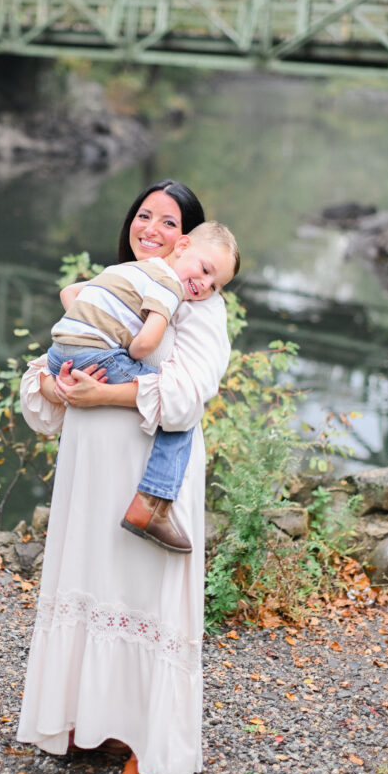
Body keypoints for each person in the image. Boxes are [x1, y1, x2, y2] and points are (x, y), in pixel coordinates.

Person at [16, 179, 232, 774]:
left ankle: (149, 748)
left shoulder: (197, 307)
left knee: (145, 595)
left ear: (186, 239)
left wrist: (101, 394)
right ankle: (95, 722)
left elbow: (187, 397)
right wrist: (56, 385)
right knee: (94, 582)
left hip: (148, 477)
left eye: (169, 222)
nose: (152, 230)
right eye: (144, 215)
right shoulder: (113, 284)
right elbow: (49, 367)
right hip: (90, 469)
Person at [47, 222, 239, 553]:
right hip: (97, 359)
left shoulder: (128, 272)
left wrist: (94, 330)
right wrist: (121, 346)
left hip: (58, 353)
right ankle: (152, 504)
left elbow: (69, 293)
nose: (205, 286)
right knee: (182, 412)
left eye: (216, 286)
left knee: (177, 402)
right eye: (206, 270)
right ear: (182, 246)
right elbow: (143, 346)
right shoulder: (168, 283)